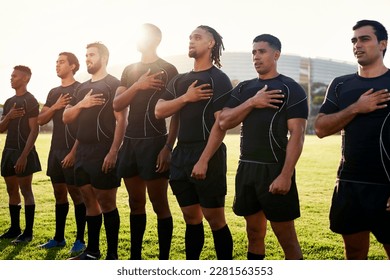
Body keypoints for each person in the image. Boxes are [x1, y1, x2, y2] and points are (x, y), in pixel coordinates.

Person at [219, 34, 307, 260]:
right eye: (253, 52)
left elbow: (297, 134)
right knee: (254, 233)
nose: (256, 57)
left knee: (287, 238)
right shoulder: (244, 89)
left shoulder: (291, 88)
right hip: (246, 169)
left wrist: (286, 175)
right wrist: (252, 102)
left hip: (275, 170)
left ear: (276, 54)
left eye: (262, 51)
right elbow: (224, 121)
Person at [155, 25, 233, 260]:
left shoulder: (218, 79)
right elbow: (160, 111)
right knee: (191, 218)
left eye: (197, 38)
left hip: (208, 153)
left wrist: (204, 160)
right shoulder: (180, 80)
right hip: (182, 154)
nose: (191, 41)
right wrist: (186, 98)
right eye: (190, 37)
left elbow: (221, 126)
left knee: (215, 219)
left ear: (211, 44)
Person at [314, 19, 390, 260]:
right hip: (349, 183)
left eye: (364, 39)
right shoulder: (341, 85)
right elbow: (321, 128)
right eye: (354, 40)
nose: (357, 44)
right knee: (355, 255)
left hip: (385, 185)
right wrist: (356, 108)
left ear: (383, 44)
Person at [113, 23, 178, 260]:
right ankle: (135, 258)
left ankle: (163, 261)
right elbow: (117, 104)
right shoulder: (130, 69)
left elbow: (177, 112)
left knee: (159, 205)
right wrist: (138, 85)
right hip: (130, 144)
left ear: (156, 39)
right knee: (135, 203)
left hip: (155, 143)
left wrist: (168, 147)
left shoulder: (169, 69)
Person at [63, 42, 127, 260]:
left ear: (104, 57)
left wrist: (113, 151)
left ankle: (112, 256)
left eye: (92, 55)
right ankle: (92, 252)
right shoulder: (81, 88)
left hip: (104, 150)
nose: (87, 58)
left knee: (107, 202)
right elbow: (66, 117)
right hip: (83, 152)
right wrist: (82, 104)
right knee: (89, 201)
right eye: (86, 55)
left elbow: (121, 120)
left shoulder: (114, 84)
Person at [37, 52, 86, 255]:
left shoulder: (81, 89)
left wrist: (74, 152)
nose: (57, 65)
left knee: (77, 195)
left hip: (72, 150)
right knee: (59, 194)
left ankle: (81, 240)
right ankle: (59, 238)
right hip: (55, 150)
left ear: (73, 66)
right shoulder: (53, 91)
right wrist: (56, 106)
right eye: (56, 62)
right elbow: (41, 120)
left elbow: (85, 125)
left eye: (62, 62)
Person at [0, 65, 41, 244]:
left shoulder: (30, 100)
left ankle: (28, 232)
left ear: (25, 78)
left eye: (14, 76)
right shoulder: (9, 101)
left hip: (23, 152)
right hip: (8, 151)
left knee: (26, 190)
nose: (11, 78)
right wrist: (7, 116)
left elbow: (34, 130)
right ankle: (14, 228)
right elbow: (1, 129)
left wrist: (24, 155)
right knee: (11, 190)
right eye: (11, 75)